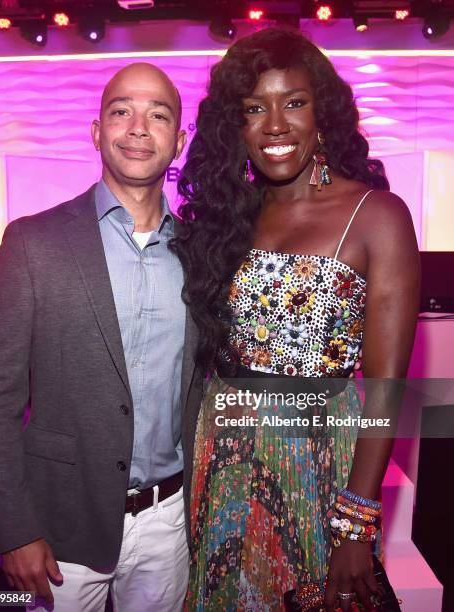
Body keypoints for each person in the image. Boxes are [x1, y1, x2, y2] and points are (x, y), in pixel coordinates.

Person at [172, 28, 419, 611]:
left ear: (323, 113)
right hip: (224, 464)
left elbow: (385, 391)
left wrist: (355, 527)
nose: (276, 125)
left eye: (295, 103)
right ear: (235, 126)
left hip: (317, 469)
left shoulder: (375, 215)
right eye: (255, 109)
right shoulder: (231, 217)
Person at [0, 62, 203, 611]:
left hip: (170, 521)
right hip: (60, 524)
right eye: (121, 111)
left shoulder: (201, 252)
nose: (138, 127)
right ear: (98, 131)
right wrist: (15, 528)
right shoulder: (33, 243)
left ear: (179, 140)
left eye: (158, 114)